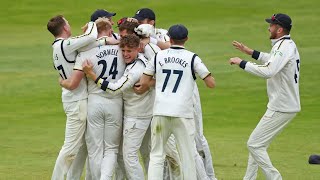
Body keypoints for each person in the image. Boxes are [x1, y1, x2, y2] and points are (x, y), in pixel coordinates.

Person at [135, 24, 215, 180]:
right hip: (183, 114)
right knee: (187, 156)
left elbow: (144, 81)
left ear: (169, 39)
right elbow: (211, 83)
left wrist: (159, 80)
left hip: (160, 111)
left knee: (157, 155)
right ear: (186, 39)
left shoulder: (159, 56)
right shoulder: (193, 58)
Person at [229, 13, 301, 180]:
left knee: (254, 144)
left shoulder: (284, 47)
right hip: (282, 104)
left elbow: (269, 70)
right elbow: (272, 60)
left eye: (272, 25)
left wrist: (242, 63)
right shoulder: (284, 44)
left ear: (280, 29)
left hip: (282, 105)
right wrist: (250, 52)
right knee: (257, 144)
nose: (269, 27)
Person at [82, 34, 154, 180]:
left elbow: (115, 89)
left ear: (138, 50)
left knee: (129, 157)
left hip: (137, 116)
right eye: (123, 50)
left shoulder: (135, 69)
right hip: (139, 113)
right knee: (133, 154)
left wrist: (92, 75)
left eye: (129, 51)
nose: (125, 54)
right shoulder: (141, 62)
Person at [73, 18, 126, 180]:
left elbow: (75, 78)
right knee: (111, 149)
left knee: (95, 149)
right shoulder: (121, 50)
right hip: (115, 102)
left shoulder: (84, 52)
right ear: (110, 32)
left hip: (94, 102)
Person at [47, 15, 97, 180]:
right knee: (70, 147)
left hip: (71, 98)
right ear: (65, 28)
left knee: (80, 147)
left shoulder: (57, 47)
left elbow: (90, 43)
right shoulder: (66, 44)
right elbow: (91, 36)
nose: (70, 24)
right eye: (67, 22)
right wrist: (92, 23)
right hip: (77, 101)